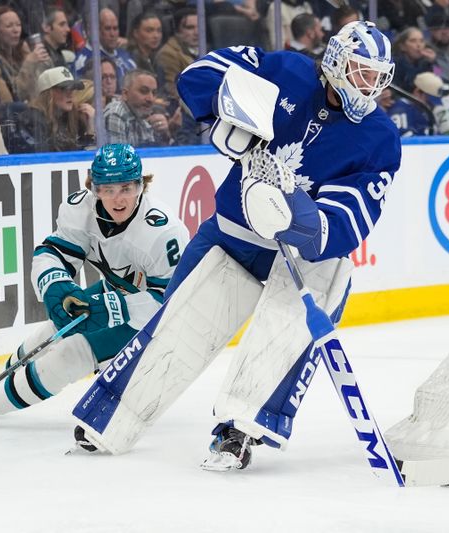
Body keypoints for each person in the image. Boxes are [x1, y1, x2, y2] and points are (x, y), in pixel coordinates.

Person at [71, 21, 401, 471]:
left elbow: (351, 218)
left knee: (299, 316)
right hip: (230, 233)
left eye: (377, 76)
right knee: (176, 326)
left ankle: (240, 430)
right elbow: (200, 74)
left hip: (299, 256)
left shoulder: (379, 137)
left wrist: (296, 217)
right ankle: (112, 412)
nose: (371, 85)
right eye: (361, 71)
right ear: (336, 60)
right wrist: (227, 116)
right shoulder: (287, 71)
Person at [0, 143, 190, 428]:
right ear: (95, 189)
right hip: (115, 293)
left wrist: (111, 309)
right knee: (47, 334)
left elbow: (170, 303)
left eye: (126, 188)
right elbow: (53, 254)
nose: (118, 199)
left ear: (141, 186)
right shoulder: (80, 209)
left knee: (70, 356)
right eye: (108, 189)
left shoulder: (164, 233)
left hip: (149, 322)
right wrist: (56, 285)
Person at [12, 66, 95, 153]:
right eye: (64, 89)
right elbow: (42, 159)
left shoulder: (69, 119)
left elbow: (81, 159)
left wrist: (90, 131)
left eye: (72, 88)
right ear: (48, 94)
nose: (70, 94)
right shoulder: (31, 120)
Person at [104, 68, 175, 147]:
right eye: (143, 91)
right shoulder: (116, 113)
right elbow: (118, 157)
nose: (150, 99)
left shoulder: (143, 116)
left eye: (154, 93)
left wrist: (165, 135)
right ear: (125, 94)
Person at [73, 7, 136, 89]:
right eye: (107, 28)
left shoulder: (126, 56)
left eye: (115, 28)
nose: (112, 34)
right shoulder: (83, 61)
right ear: (95, 30)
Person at [156, 7, 197, 101]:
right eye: (190, 28)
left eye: (200, 27)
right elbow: (173, 90)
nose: (197, 32)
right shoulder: (168, 54)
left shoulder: (205, 49)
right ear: (178, 30)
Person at [389, 71, 444, 136]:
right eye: (429, 100)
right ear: (417, 92)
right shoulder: (400, 111)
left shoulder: (423, 112)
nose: (432, 105)